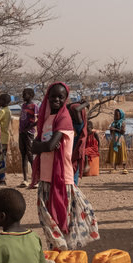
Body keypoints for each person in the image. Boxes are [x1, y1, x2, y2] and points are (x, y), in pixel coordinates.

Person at [31, 83, 100, 250]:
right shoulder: (46, 118)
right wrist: (42, 145)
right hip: (46, 177)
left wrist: (41, 145)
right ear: (47, 97)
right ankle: (58, 251)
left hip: (62, 178)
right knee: (48, 218)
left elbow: (46, 146)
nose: (56, 99)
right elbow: (36, 146)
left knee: (63, 218)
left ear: (65, 99)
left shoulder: (63, 119)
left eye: (60, 97)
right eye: (53, 96)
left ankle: (64, 251)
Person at [18, 88, 38, 188]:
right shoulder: (23, 105)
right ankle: (25, 179)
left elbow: (38, 120)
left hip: (29, 132)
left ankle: (36, 178)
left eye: (25, 94)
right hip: (21, 132)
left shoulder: (34, 106)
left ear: (30, 95)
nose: (23, 96)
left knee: (30, 154)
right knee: (23, 154)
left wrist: (29, 128)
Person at [0, 93, 13, 186]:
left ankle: (1, 179)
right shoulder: (8, 110)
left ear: (4, 101)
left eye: (0, 100)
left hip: (1, 137)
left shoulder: (2, 111)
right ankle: (2, 177)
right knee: (3, 158)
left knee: (0, 158)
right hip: (5, 137)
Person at [105, 109, 128, 173]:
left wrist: (114, 129)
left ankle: (124, 168)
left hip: (120, 140)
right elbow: (111, 132)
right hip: (114, 139)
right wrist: (110, 129)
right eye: (115, 115)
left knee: (122, 153)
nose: (115, 116)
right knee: (114, 153)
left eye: (117, 115)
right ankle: (115, 168)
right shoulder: (113, 122)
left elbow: (123, 132)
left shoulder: (122, 123)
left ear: (120, 115)